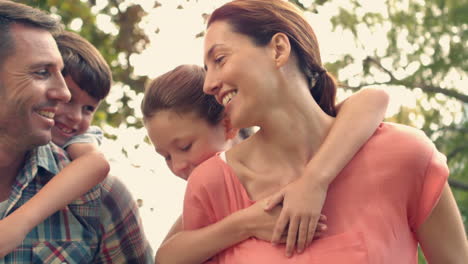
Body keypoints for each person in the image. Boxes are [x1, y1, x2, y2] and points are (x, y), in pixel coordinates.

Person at [183, 0, 468, 263]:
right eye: (206, 69)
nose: (208, 84)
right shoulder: (212, 185)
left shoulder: (405, 154)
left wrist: (315, 180)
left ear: (278, 50)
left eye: (219, 59)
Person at [141, 64, 390, 263]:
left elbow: (373, 99)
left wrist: (314, 180)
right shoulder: (209, 195)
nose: (177, 166)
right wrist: (247, 222)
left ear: (227, 125)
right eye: (166, 157)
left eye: (184, 147)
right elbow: (166, 256)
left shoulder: (289, 152)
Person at [0, 2, 153, 262]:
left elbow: (96, 164)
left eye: (88, 108)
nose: (64, 94)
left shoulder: (100, 198)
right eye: (41, 72)